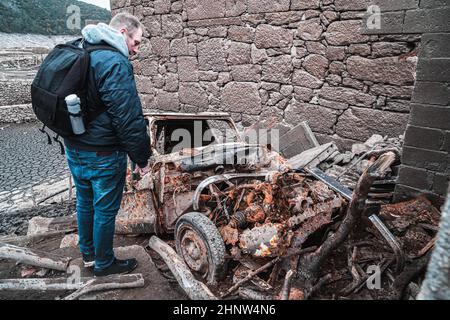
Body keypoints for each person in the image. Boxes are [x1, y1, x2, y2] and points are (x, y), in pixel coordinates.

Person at [64, 13, 151, 277]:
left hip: (74, 147)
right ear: (123, 32)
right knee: (105, 209)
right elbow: (127, 117)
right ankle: (104, 263)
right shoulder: (114, 61)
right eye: (136, 42)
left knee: (85, 201)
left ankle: (89, 254)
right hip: (103, 152)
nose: (136, 50)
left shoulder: (81, 47)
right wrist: (142, 158)